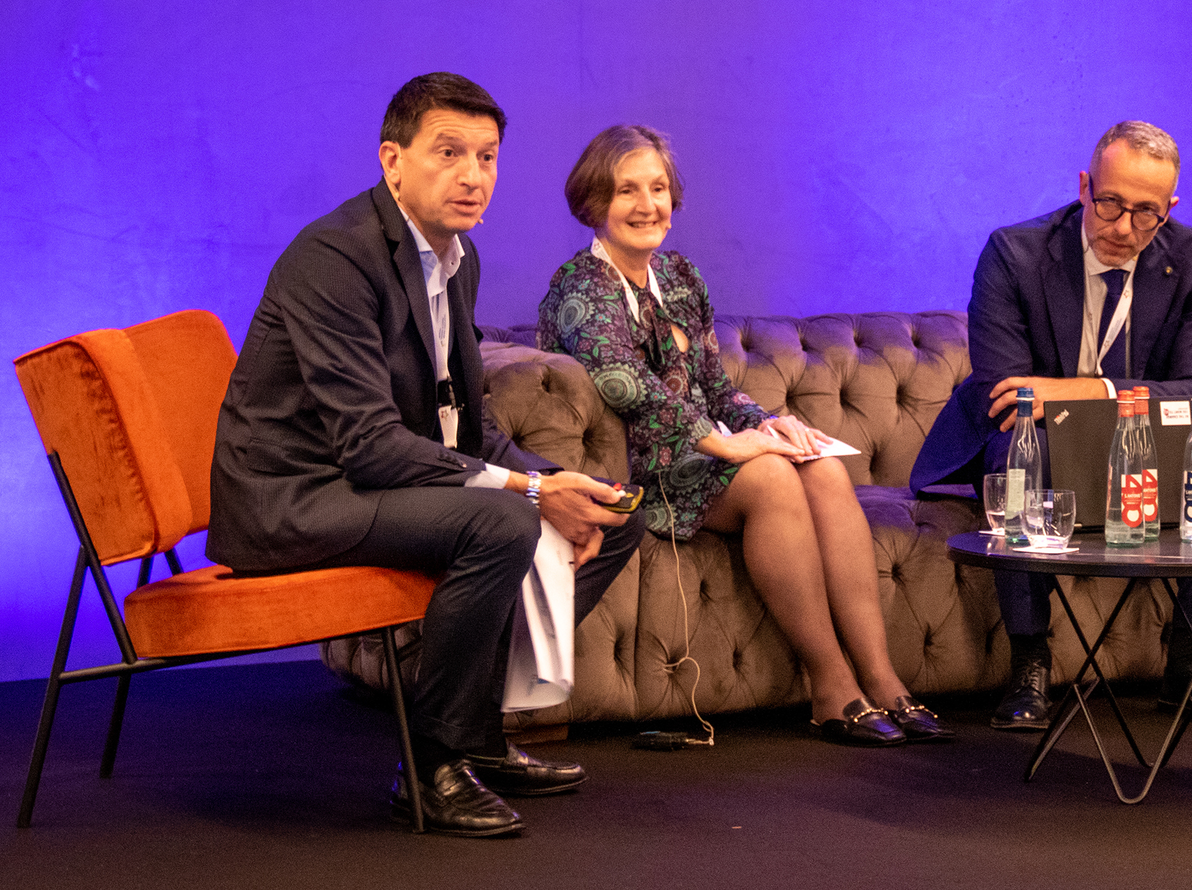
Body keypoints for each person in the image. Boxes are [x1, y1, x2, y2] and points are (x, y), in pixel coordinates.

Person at [209, 72, 641, 837]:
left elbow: (458, 424)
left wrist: (555, 479)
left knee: (613, 507)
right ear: (392, 161)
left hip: (372, 480)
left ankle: (478, 735)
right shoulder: (334, 259)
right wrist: (528, 495)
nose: (473, 176)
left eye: (488, 157)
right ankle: (433, 766)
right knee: (501, 524)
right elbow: (370, 446)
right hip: (298, 496)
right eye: (449, 152)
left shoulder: (456, 259)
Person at [536, 125, 951, 747]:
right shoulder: (580, 288)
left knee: (821, 465)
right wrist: (726, 443)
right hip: (635, 472)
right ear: (594, 204)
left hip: (695, 456)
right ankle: (831, 685)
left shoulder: (679, 277)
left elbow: (711, 381)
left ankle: (882, 678)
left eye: (658, 189)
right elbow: (623, 383)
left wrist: (768, 423)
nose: (647, 205)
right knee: (771, 476)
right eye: (627, 190)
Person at [909, 120, 1192, 732]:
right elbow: (1009, 391)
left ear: (1170, 208)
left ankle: (1191, 667)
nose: (1124, 228)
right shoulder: (1014, 253)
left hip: (1141, 437)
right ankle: (1030, 668)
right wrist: (1101, 402)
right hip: (1036, 437)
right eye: (1110, 204)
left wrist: (1083, 392)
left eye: (1147, 213)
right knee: (1023, 451)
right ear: (1083, 187)